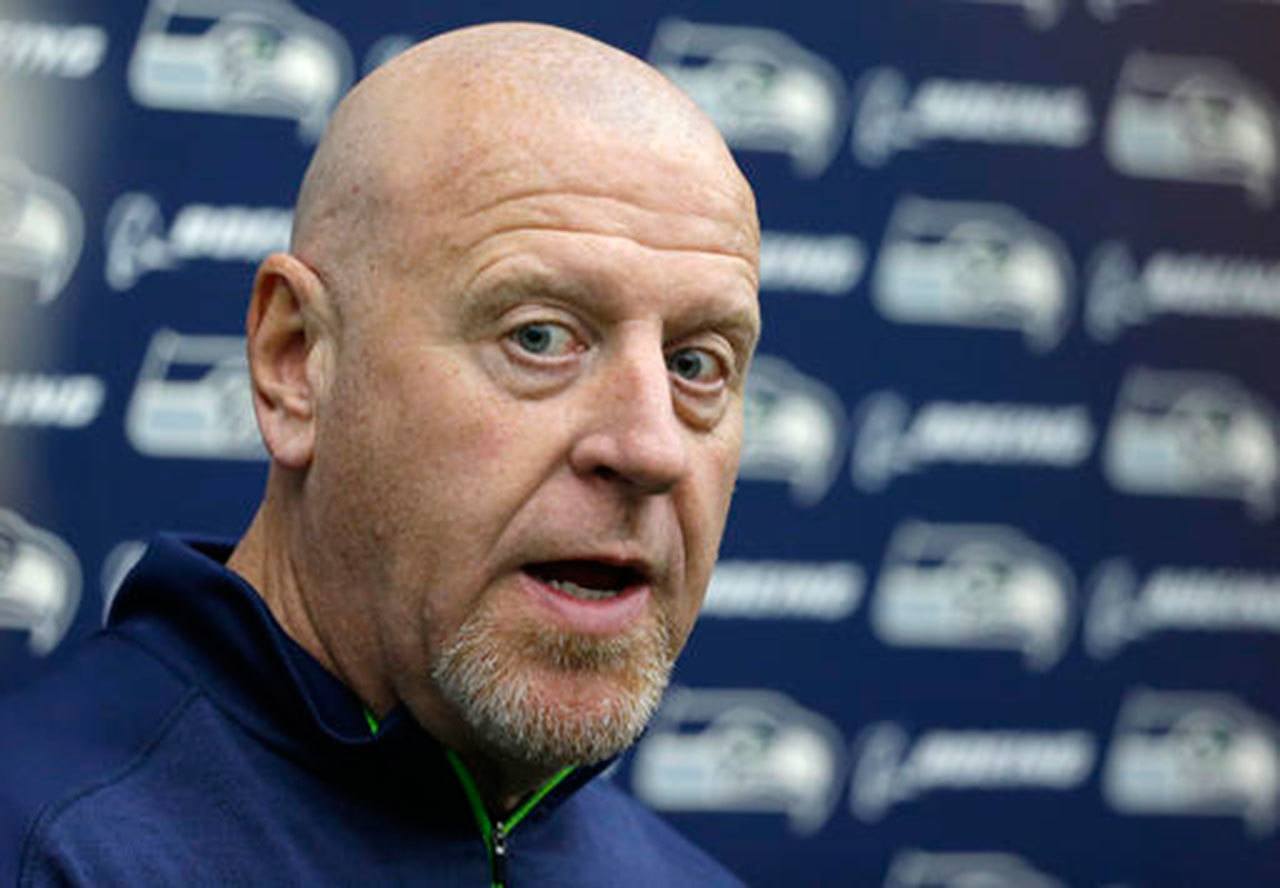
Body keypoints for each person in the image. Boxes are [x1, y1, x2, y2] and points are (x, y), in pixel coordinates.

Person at [0, 21, 760, 886]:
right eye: (540, 336)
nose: (650, 446)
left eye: (696, 364)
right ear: (296, 361)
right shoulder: (43, 849)